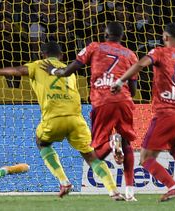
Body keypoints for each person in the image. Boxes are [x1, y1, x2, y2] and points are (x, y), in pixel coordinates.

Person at [0, 41, 125, 200]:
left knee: (41, 142)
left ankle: (64, 181)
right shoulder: (68, 71)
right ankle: (113, 191)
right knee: (91, 157)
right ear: (61, 56)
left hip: (54, 119)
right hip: (76, 120)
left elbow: (19, 70)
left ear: (43, 54)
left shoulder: (38, 65)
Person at [41, 22, 138, 201]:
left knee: (97, 152)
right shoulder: (131, 55)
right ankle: (130, 192)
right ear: (121, 37)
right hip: (124, 101)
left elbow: (70, 70)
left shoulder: (94, 47)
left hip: (102, 100)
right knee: (127, 143)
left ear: (105, 34)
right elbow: (133, 89)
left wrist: (54, 70)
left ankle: (111, 144)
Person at [110, 22, 175, 202]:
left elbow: (141, 64)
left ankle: (173, 187)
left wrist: (121, 81)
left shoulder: (159, 52)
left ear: (165, 37)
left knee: (145, 158)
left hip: (166, 112)